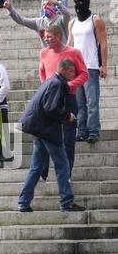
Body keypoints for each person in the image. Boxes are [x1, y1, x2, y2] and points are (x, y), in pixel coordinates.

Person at [18, 59, 86, 213]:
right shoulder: (57, 84)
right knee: (62, 165)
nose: (72, 74)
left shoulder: (51, 81)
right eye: (70, 71)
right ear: (62, 70)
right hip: (46, 130)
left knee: (36, 167)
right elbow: (51, 108)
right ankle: (67, 202)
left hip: (39, 128)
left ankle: (23, 202)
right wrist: (67, 115)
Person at [39, 25, 88, 178]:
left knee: (68, 139)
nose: (46, 39)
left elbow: (84, 74)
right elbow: (42, 71)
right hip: (50, 99)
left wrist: (69, 85)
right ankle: (43, 174)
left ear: (59, 36)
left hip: (68, 99)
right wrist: (46, 86)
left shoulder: (73, 53)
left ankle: (66, 173)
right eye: (45, 37)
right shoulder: (44, 53)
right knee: (46, 135)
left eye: (49, 37)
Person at [67, 0, 108, 143]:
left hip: (90, 66)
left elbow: (103, 43)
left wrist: (103, 65)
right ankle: (82, 130)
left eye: (80, 4)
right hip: (75, 68)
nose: (77, 7)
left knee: (92, 101)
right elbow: (70, 44)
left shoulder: (95, 20)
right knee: (79, 103)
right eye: (75, 4)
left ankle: (93, 130)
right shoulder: (72, 22)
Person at [4, 0, 70, 47]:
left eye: (49, 4)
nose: (46, 7)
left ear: (55, 7)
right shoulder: (38, 22)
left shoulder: (62, 20)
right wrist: (10, 9)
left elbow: (67, 14)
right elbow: (21, 20)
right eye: (44, 5)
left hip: (62, 55)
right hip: (48, 57)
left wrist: (56, 3)